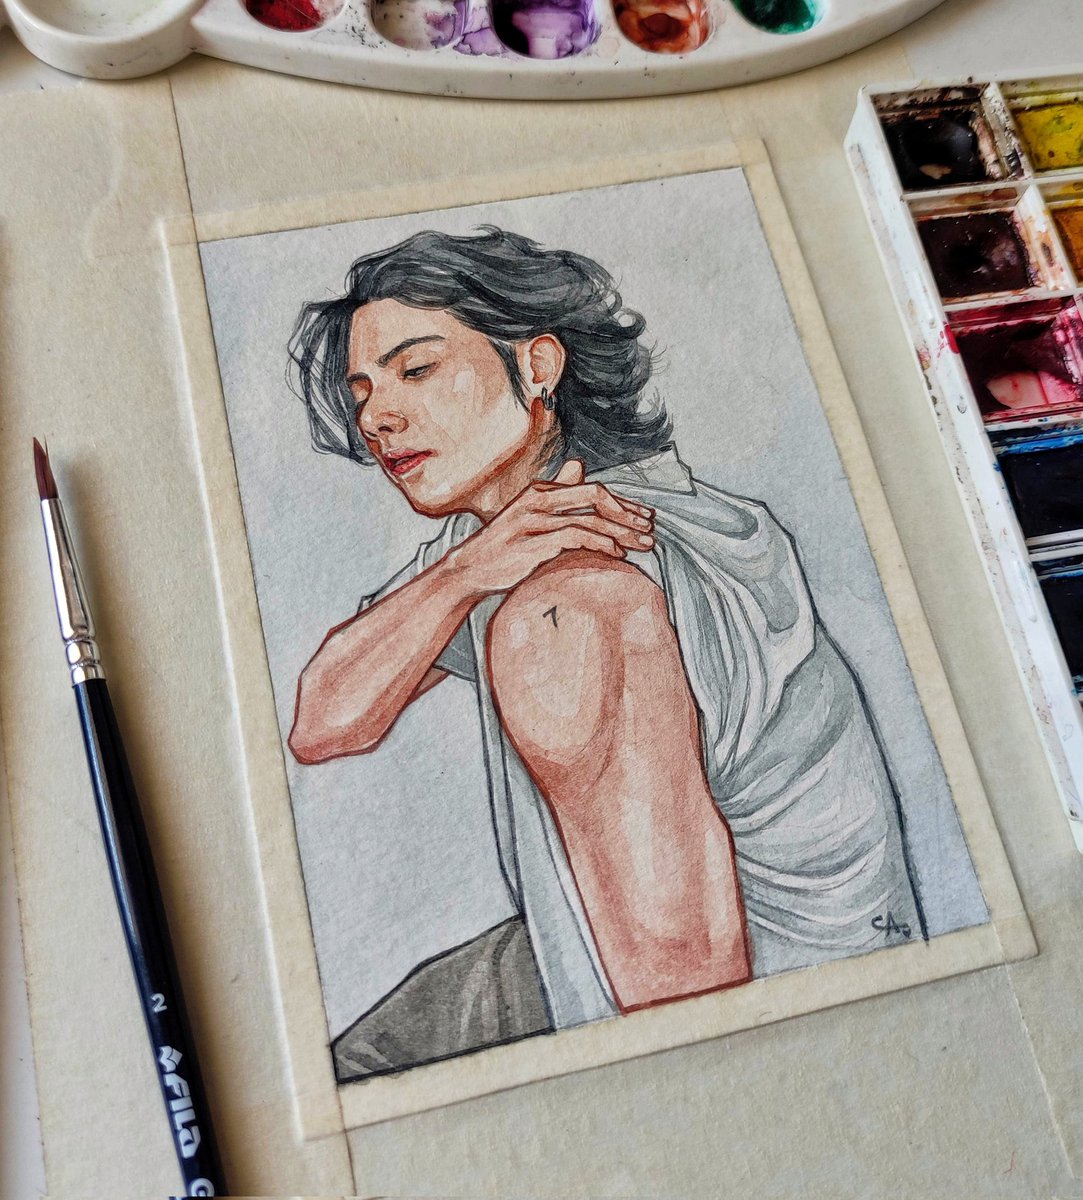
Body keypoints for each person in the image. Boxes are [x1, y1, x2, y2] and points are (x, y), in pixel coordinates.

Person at [286, 227, 924, 1082]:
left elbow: (686, 985)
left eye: (417, 370)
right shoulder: (548, 524)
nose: (376, 418)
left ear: (538, 365)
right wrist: (465, 573)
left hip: (776, 1000)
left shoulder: (573, 602)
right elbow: (323, 722)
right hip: (704, 935)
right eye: (362, 390)